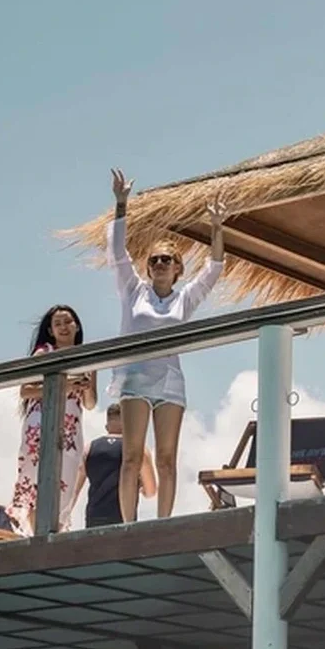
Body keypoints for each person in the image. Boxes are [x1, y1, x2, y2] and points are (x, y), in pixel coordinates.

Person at [106, 168, 227, 521]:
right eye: (154, 260)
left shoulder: (184, 299)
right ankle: (128, 525)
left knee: (166, 459)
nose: (160, 264)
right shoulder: (134, 291)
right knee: (131, 456)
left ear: (178, 269)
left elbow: (214, 270)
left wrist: (217, 228)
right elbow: (117, 253)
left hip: (170, 382)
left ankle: (163, 524)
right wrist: (121, 205)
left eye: (167, 260)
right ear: (148, 268)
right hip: (135, 380)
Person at [6, 305, 97, 535]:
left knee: (65, 480)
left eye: (68, 322)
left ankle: (50, 533)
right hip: (41, 421)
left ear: (77, 326)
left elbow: (90, 403)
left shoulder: (88, 356)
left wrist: (85, 385)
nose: (64, 327)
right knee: (36, 483)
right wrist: (65, 385)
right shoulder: (43, 353)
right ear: (51, 330)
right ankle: (37, 535)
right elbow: (26, 391)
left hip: (71, 426)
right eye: (58, 324)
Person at [67, 402, 157, 528]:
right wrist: (140, 487)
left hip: (94, 518)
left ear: (107, 426)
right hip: (124, 518)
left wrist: (66, 515)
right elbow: (151, 491)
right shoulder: (138, 450)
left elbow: (74, 490)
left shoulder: (89, 449)